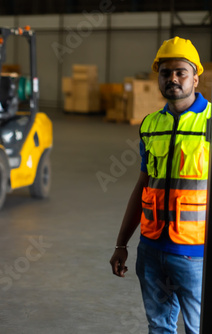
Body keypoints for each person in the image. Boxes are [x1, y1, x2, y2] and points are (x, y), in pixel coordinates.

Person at [110, 36, 208, 334]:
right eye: (166, 73)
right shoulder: (151, 124)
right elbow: (143, 186)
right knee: (159, 328)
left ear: (195, 78)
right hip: (152, 251)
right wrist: (121, 244)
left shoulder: (210, 122)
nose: (173, 79)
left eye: (181, 72)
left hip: (196, 255)